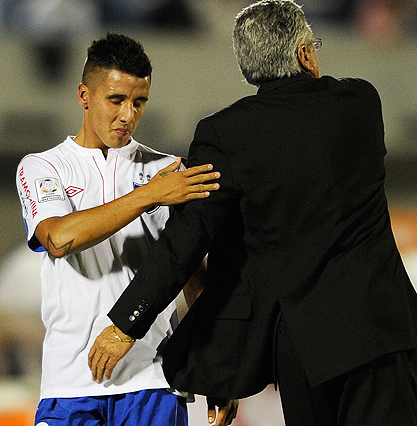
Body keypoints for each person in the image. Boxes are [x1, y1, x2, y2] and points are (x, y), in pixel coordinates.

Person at [88, 2, 417, 425]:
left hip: (303, 350)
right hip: (382, 331)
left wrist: (126, 324)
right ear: (304, 54)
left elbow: (186, 241)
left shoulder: (226, 135)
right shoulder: (360, 103)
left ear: (248, 70)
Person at [16, 33, 236, 426]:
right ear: (84, 95)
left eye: (139, 102)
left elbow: (194, 278)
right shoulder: (42, 166)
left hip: (151, 381)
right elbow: (59, 238)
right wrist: (148, 196)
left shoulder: (168, 171)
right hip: (70, 383)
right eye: (116, 100)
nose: (128, 115)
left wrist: (217, 370)